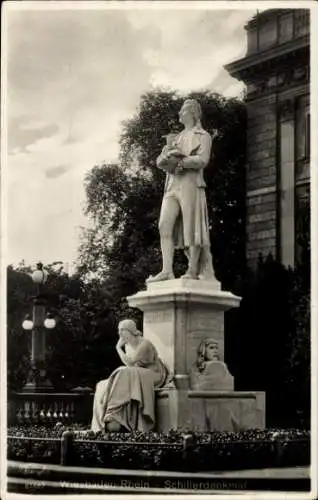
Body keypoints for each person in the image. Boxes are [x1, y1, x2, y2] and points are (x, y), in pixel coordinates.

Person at [147, 99, 217, 283]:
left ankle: (193, 269)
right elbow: (159, 161)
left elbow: (203, 160)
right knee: (164, 224)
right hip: (172, 185)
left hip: (191, 183)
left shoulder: (204, 136)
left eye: (183, 111)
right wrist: (167, 156)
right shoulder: (175, 138)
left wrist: (181, 162)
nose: (179, 115)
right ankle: (167, 270)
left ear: (193, 113)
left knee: (192, 226)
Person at [91, 319, 168, 433]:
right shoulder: (128, 346)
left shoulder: (144, 344)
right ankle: (109, 417)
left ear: (131, 330)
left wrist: (118, 348)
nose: (120, 333)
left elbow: (130, 363)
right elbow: (131, 366)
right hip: (136, 373)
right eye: (119, 330)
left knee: (123, 371)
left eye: (123, 330)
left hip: (154, 375)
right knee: (103, 384)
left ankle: (114, 412)